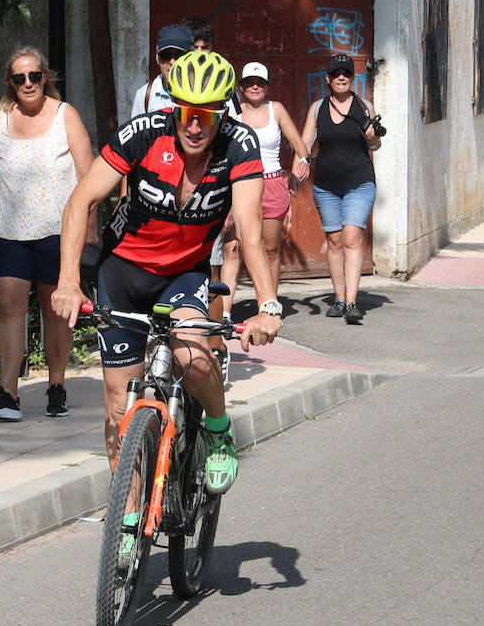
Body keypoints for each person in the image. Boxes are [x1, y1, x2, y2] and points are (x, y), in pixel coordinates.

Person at [51, 51, 282, 498]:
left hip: (183, 273)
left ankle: (217, 427)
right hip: (122, 270)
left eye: (206, 116)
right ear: (173, 106)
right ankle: (129, 518)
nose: (194, 126)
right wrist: (67, 281)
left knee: (191, 357)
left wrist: (269, 305)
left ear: (223, 113)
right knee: (119, 404)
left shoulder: (240, 144)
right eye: (185, 114)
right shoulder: (143, 134)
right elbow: (80, 202)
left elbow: (251, 232)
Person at [0, 48, 96, 421]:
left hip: (59, 229)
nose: (28, 84)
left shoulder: (64, 115)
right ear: (10, 82)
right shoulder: (1, 118)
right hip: (10, 229)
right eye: (19, 78)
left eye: (34, 76)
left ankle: (56, 386)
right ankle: (8, 394)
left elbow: (89, 173)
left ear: (46, 78)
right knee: (10, 305)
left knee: (54, 311)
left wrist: (89, 222)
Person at [219, 62, 313, 308]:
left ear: (267, 87)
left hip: (271, 183)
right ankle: (226, 312)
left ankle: (268, 304)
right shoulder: (232, 112)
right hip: (240, 185)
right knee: (234, 248)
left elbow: (298, 143)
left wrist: (301, 163)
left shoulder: (277, 109)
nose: (255, 87)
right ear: (241, 87)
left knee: (270, 249)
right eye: (249, 82)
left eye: (260, 83)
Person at [299, 54, 382, 324]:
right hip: (326, 186)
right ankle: (339, 298)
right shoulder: (317, 108)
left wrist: (372, 139)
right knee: (334, 242)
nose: (342, 77)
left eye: (346, 73)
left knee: (351, 238)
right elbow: (304, 143)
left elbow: (375, 146)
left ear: (353, 78)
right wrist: (298, 166)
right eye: (336, 73)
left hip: (359, 183)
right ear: (328, 79)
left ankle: (352, 302)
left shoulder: (363, 106)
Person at [129, 23, 193, 119]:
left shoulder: (204, 93)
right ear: (157, 58)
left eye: (179, 55)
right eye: (166, 55)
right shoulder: (144, 95)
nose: (172, 62)